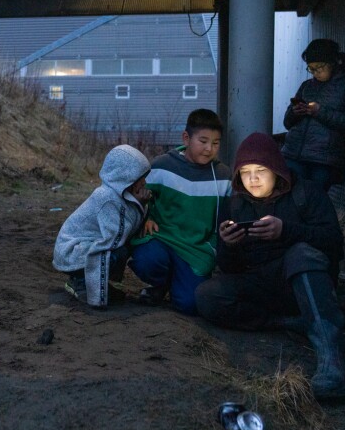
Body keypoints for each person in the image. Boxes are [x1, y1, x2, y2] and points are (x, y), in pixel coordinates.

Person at [195, 132, 345, 399]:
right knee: (206, 295)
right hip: (262, 285)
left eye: (261, 171)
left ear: (276, 170)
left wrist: (286, 231)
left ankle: (334, 360)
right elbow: (230, 269)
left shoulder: (306, 193)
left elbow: (334, 244)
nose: (253, 179)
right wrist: (229, 245)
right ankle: (290, 323)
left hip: (304, 283)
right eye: (245, 172)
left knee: (301, 254)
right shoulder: (234, 204)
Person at [129, 109, 232, 315]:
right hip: (163, 239)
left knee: (190, 305)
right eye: (203, 141)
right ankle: (160, 284)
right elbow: (135, 197)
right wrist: (146, 217)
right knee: (147, 261)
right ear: (186, 138)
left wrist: (213, 251)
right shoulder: (162, 166)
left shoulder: (223, 176)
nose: (209, 148)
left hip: (196, 250)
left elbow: (224, 220)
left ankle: (176, 285)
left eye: (215, 143)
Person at [52, 144, 153, 309]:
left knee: (121, 249)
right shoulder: (107, 198)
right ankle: (80, 283)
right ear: (124, 176)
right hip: (71, 250)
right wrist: (97, 298)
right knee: (115, 250)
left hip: (84, 246)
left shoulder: (122, 195)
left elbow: (130, 228)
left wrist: (141, 204)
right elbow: (116, 237)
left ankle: (95, 282)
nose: (144, 182)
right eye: (139, 177)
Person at [282, 38, 345, 191]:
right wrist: (295, 112)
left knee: (315, 201)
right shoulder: (307, 86)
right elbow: (287, 123)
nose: (315, 73)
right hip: (293, 154)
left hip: (325, 159)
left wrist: (319, 112)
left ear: (332, 62)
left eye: (319, 67)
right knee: (292, 200)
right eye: (311, 69)